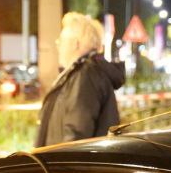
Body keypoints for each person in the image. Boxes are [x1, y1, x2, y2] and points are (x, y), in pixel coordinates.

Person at [35, 13, 126, 147]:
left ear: (75, 44)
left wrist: (58, 165)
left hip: (65, 166)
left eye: (61, 41)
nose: (58, 46)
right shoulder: (81, 74)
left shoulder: (86, 75)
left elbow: (76, 134)